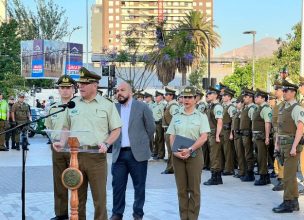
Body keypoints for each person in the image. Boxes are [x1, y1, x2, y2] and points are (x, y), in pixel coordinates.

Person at [57, 67, 122, 220]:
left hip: (96, 157)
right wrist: (61, 142)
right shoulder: (73, 104)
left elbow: (116, 129)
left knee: (99, 199)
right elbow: (66, 126)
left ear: (95, 85)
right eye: (80, 83)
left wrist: (106, 143)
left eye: (85, 83)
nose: (81, 86)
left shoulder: (107, 105)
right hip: (75, 156)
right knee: (77, 199)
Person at [110, 82, 155, 220]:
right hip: (119, 155)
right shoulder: (114, 108)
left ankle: (138, 214)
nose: (119, 93)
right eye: (117, 91)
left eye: (122, 90)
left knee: (139, 187)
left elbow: (151, 128)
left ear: (130, 92)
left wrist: (141, 144)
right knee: (117, 186)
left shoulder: (142, 107)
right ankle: (117, 213)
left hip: (138, 155)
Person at [167, 86, 210, 220]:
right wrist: (174, 152)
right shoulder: (176, 116)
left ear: (195, 99)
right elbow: (171, 136)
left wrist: (190, 149)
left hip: (194, 156)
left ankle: (192, 217)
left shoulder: (201, 116)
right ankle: (183, 217)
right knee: (181, 190)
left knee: (194, 190)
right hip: (178, 156)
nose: (186, 100)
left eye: (189, 97)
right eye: (184, 97)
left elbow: (204, 137)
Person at [45, 75, 77, 220]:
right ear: (58, 89)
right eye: (62, 87)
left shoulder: (78, 105)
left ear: (73, 89)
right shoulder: (53, 108)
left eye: (67, 87)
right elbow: (49, 128)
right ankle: (61, 213)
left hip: (75, 147)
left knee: (77, 181)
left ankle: (78, 213)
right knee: (59, 182)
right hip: (58, 147)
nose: (64, 90)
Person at [272, 80, 304, 213]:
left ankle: (288, 202)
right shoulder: (283, 107)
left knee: (289, 175)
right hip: (284, 145)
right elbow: (280, 129)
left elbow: (300, 129)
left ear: (293, 92)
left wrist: (294, 147)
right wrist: (277, 145)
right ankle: (294, 202)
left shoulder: (297, 108)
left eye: (286, 91)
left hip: (292, 145)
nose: (283, 93)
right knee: (288, 174)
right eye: (283, 90)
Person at [204, 87, 224, 186]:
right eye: (207, 93)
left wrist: (217, 136)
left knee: (214, 156)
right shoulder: (211, 106)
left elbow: (220, 122)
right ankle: (218, 177)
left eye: (210, 93)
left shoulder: (217, 107)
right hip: (210, 133)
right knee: (214, 155)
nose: (207, 95)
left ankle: (215, 178)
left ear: (216, 95)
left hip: (214, 133)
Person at [252, 89, 272, 186]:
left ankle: (264, 176)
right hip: (257, 137)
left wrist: (267, 137)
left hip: (262, 137)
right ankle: (264, 175)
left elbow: (267, 123)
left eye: (257, 96)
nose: (255, 98)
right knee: (259, 157)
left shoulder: (265, 108)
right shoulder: (259, 108)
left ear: (263, 98)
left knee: (262, 157)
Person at [239, 88, 256, 182]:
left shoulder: (252, 108)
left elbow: (253, 122)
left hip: (248, 135)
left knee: (249, 154)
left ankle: (250, 173)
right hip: (244, 135)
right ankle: (247, 172)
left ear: (250, 98)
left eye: (245, 97)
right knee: (246, 154)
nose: (244, 98)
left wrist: (252, 135)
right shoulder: (246, 108)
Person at [161, 87, 179, 174]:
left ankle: (171, 168)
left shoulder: (174, 106)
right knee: (170, 150)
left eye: (166, 94)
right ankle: (170, 167)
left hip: (171, 131)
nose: (165, 96)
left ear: (171, 96)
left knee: (172, 150)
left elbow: (176, 119)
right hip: (167, 130)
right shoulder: (169, 105)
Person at [221, 87, 237, 175]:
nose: (223, 97)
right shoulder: (224, 106)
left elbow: (233, 121)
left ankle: (229, 169)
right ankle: (226, 167)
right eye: (223, 95)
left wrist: (231, 133)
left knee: (228, 151)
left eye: (225, 96)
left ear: (229, 97)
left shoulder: (231, 107)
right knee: (224, 150)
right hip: (223, 130)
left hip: (227, 130)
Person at [231, 96, 246, 178]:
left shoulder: (243, 112)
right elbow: (233, 124)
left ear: (242, 103)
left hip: (240, 135)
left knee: (241, 154)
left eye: (238, 102)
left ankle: (242, 171)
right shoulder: (237, 112)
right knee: (238, 154)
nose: (236, 104)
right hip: (236, 134)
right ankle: (241, 170)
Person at [152, 91, 166, 160]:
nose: (155, 98)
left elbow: (163, 116)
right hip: (155, 123)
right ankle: (156, 152)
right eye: (155, 96)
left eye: (157, 96)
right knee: (156, 139)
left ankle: (161, 154)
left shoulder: (162, 105)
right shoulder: (156, 104)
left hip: (160, 123)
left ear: (160, 97)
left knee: (160, 139)